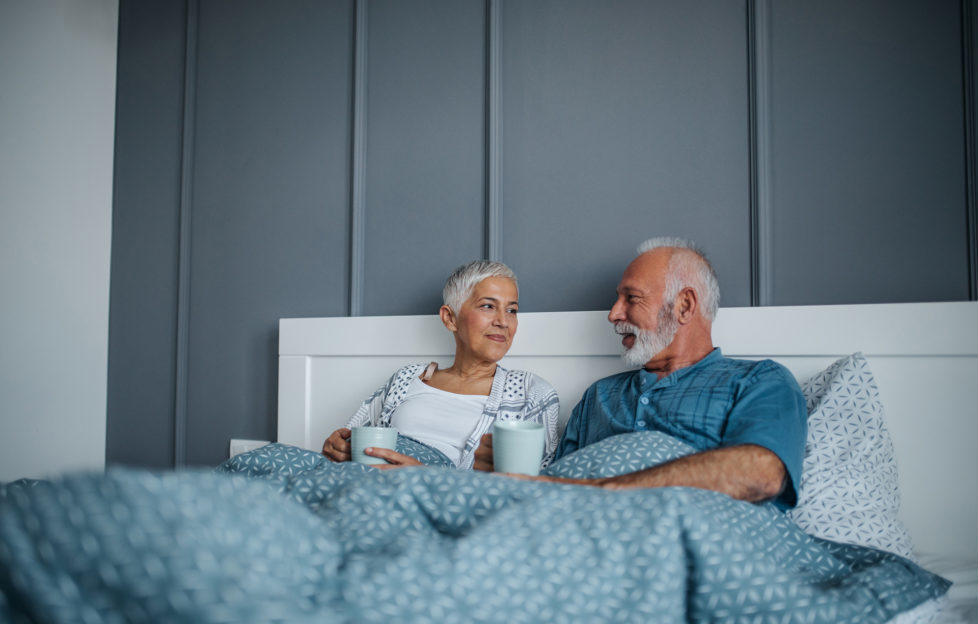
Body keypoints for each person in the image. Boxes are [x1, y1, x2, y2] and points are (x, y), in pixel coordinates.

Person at [537, 237, 807, 509]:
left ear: (684, 306)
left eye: (632, 298)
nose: (614, 314)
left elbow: (761, 475)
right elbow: (555, 490)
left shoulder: (759, 381)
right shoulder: (599, 396)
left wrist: (614, 488)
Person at [321, 260, 560, 471]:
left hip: (432, 500)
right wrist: (337, 446)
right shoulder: (407, 378)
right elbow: (351, 438)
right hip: (361, 482)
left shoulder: (531, 392)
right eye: (488, 306)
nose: (503, 322)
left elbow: (537, 486)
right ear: (450, 318)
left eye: (512, 310)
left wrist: (427, 479)